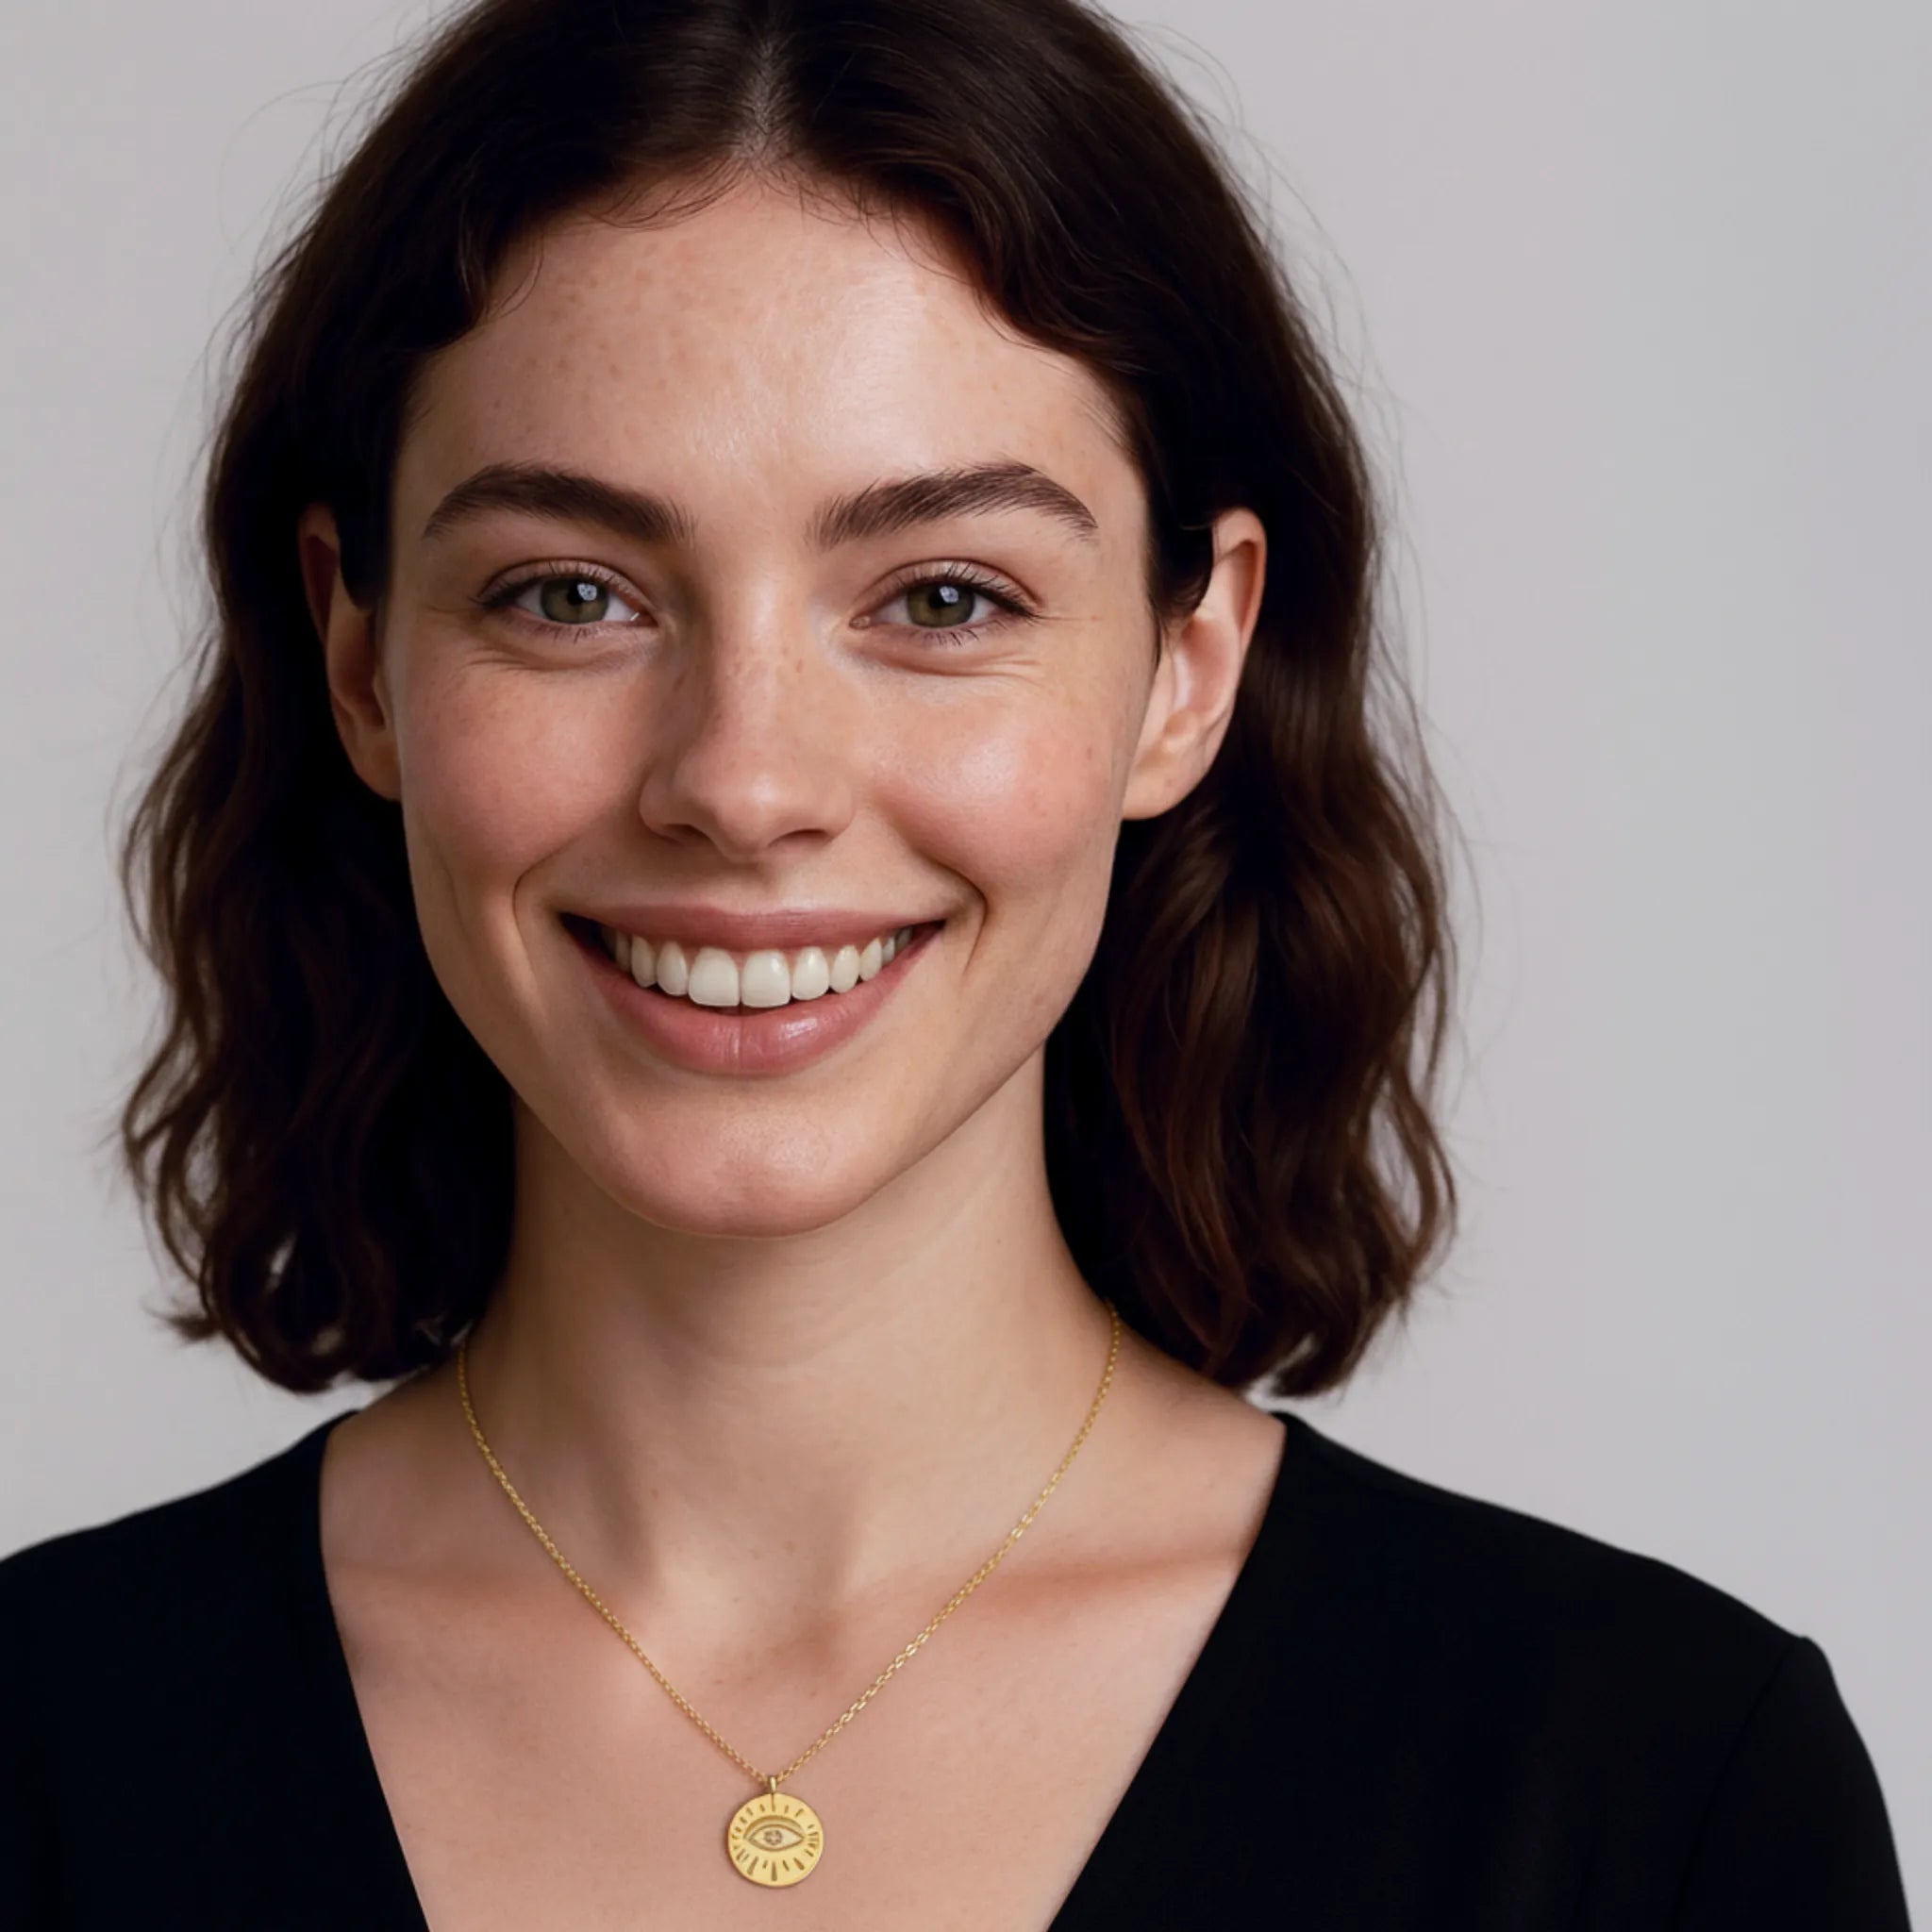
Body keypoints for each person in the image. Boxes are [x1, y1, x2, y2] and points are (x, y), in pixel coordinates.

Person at [0, 0, 1911, 1924]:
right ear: (360, 660)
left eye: (940, 597)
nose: (742, 783)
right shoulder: (38, 1753)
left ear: (1189, 663)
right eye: (569, 593)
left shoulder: (1658, 1793)